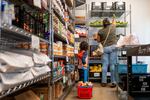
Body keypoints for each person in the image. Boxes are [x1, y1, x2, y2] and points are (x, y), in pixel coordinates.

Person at [94, 18, 117, 87]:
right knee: (112, 65)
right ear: (109, 23)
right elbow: (114, 22)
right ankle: (113, 82)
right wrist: (113, 19)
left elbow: (98, 41)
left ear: (103, 24)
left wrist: (96, 37)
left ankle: (104, 82)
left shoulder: (100, 31)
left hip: (105, 48)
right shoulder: (113, 27)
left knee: (105, 65)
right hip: (113, 47)